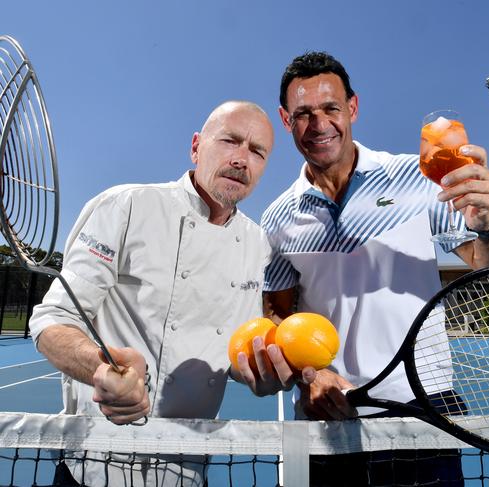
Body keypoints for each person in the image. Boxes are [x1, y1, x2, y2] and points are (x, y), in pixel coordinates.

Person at [261, 52, 489, 486]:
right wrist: (310, 375)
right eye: (303, 113)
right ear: (286, 120)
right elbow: (276, 314)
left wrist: (488, 220)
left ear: (353, 108)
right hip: (330, 416)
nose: (319, 124)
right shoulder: (277, 217)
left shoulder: (417, 179)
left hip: (424, 411)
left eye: (331, 108)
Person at [29, 100, 308, 487]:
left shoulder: (257, 244)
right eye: (230, 141)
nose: (242, 159)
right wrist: (100, 367)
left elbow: (236, 351)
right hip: (95, 466)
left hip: (187, 469)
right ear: (196, 147)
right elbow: (51, 320)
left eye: (257, 151)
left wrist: (261, 372)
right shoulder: (126, 205)